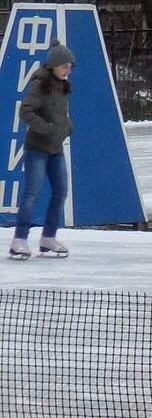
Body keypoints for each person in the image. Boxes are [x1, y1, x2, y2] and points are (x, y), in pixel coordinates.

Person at [8, 42, 72, 258]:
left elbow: (60, 113)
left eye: (69, 66)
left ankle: (48, 237)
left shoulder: (62, 85)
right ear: (53, 65)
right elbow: (25, 111)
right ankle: (19, 239)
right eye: (64, 66)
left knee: (60, 192)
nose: (67, 70)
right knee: (32, 194)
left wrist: (66, 128)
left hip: (55, 148)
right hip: (37, 148)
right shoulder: (40, 84)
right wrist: (46, 129)